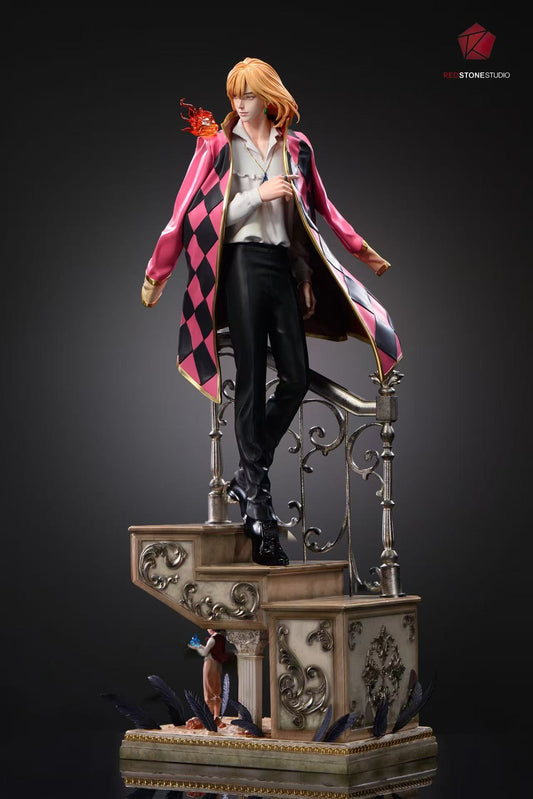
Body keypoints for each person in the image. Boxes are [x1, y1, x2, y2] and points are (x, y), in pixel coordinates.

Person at [141, 58, 401, 568]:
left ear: (269, 97)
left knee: (296, 377)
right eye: (234, 95)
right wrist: (254, 196)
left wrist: (304, 276)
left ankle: (246, 474)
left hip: (282, 265)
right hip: (239, 263)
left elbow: (307, 215)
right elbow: (192, 215)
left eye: (249, 94)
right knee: (252, 376)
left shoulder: (296, 147)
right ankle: (259, 507)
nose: (239, 104)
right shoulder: (218, 145)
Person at [187, 628, 230, 725]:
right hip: (218, 664)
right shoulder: (221, 638)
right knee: (216, 691)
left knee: (209, 690)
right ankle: (216, 716)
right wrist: (200, 645)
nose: (207, 629)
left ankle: (209, 717)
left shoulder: (212, 639)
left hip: (210, 663)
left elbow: (204, 653)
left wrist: (196, 647)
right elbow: (211, 649)